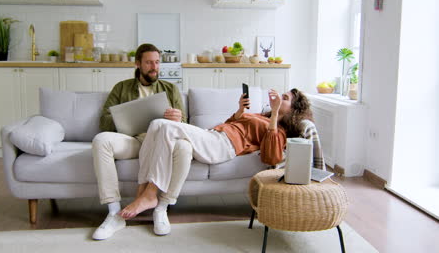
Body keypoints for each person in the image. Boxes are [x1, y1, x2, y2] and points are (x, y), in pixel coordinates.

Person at [118, 88, 325, 235]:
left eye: (285, 98)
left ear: (293, 109)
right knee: (157, 126)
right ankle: (144, 193)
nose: (279, 98)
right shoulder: (260, 116)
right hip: (213, 136)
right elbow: (229, 124)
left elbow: (271, 156)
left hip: (223, 147)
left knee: (160, 125)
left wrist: (275, 116)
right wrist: (239, 111)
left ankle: (150, 193)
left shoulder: (279, 130)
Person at [92, 43, 190, 240]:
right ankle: (114, 213)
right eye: (148, 63)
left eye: (157, 62)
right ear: (138, 64)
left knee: (185, 147)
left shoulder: (170, 89)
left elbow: (185, 124)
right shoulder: (121, 88)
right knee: (101, 140)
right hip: (132, 141)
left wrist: (178, 118)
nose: (154, 67)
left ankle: (160, 208)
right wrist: (124, 117)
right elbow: (104, 121)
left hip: (162, 145)